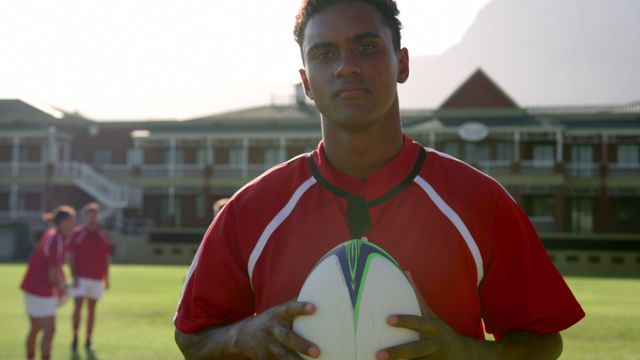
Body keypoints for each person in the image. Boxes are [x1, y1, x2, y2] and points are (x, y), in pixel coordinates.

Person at [174, 0, 585, 359]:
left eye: (366, 47)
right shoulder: (252, 209)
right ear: (306, 84)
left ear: (401, 63)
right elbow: (192, 337)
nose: (347, 66)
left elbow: (543, 344)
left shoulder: (480, 202)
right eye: (323, 54)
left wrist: (466, 353)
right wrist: (244, 334)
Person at [21, 205, 76, 360]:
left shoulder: (51, 234)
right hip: (41, 289)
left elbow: (55, 267)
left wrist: (62, 280)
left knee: (35, 328)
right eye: (72, 220)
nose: (74, 224)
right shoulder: (57, 241)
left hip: (30, 286)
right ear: (64, 222)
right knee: (49, 330)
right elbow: (52, 275)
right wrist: (61, 291)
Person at [65, 202, 112, 353]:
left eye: (95, 214)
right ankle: (75, 338)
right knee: (78, 308)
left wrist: (106, 279)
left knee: (92, 310)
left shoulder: (102, 235)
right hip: (81, 278)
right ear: (84, 216)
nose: (92, 217)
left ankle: (88, 339)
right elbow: (70, 256)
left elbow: (105, 259)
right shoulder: (77, 233)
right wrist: (74, 276)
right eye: (89, 214)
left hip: (96, 278)